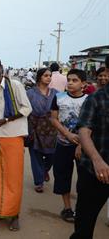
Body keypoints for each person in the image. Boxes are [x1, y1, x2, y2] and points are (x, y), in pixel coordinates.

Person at [0, 56, 32, 231]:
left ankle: (13, 215)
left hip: (13, 136)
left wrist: (7, 119)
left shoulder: (15, 85)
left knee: (13, 179)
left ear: (1, 67)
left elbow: (27, 108)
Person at [70, 56, 109, 239]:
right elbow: (84, 130)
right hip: (95, 170)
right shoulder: (96, 98)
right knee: (85, 222)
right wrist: (97, 160)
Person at [50, 69, 88, 223]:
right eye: (69, 80)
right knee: (62, 175)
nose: (70, 83)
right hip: (63, 144)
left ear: (83, 84)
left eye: (75, 80)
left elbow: (91, 124)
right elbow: (54, 119)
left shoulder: (89, 100)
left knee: (84, 179)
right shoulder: (59, 98)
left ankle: (81, 209)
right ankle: (67, 208)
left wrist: (81, 145)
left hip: (84, 147)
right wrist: (68, 134)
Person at [26, 68, 58, 193]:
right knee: (36, 155)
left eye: (50, 75)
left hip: (51, 129)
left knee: (52, 155)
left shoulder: (56, 93)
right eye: (46, 75)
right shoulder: (30, 93)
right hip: (34, 127)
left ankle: (44, 170)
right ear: (39, 77)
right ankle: (39, 182)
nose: (49, 78)